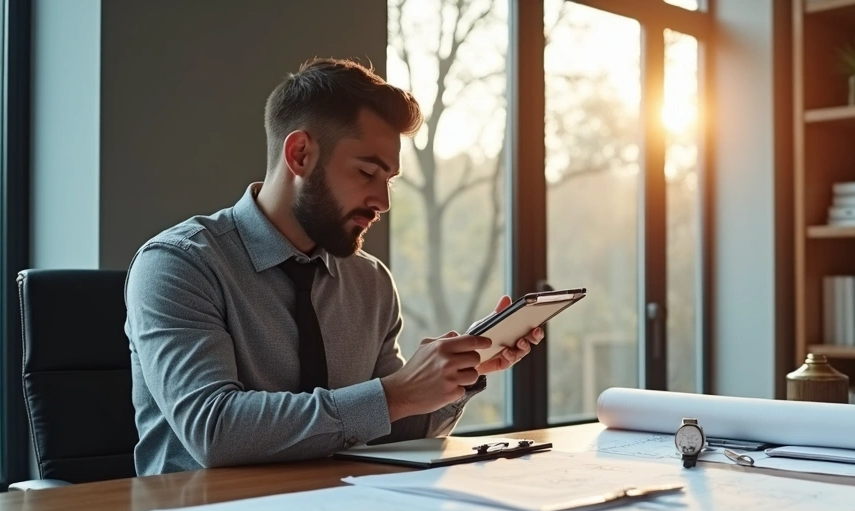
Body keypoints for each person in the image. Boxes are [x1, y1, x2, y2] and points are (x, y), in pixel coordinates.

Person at [125, 58, 542, 475]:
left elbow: (396, 430)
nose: (383, 202)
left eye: (389, 180)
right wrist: (393, 395)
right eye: (366, 172)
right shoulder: (179, 264)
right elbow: (213, 430)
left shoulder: (370, 281)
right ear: (300, 154)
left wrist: (458, 376)